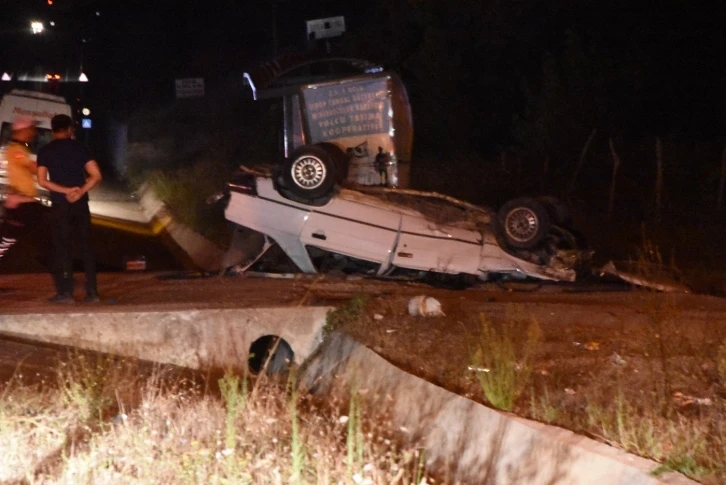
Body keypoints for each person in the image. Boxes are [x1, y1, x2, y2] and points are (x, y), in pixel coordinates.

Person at [37, 114, 102, 304]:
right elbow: (96, 175)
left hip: (60, 205)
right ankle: (92, 292)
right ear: (70, 129)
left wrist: (65, 191)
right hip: (80, 205)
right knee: (86, 247)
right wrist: (79, 191)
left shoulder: (45, 151)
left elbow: (42, 180)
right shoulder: (81, 148)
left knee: (62, 248)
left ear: (52, 130)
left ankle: (66, 293)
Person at [0, 115, 41, 261]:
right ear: (22, 130)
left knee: (11, 238)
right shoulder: (16, 150)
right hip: (20, 203)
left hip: (23, 202)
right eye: (31, 128)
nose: (34, 132)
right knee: (8, 239)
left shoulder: (21, 149)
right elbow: (33, 167)